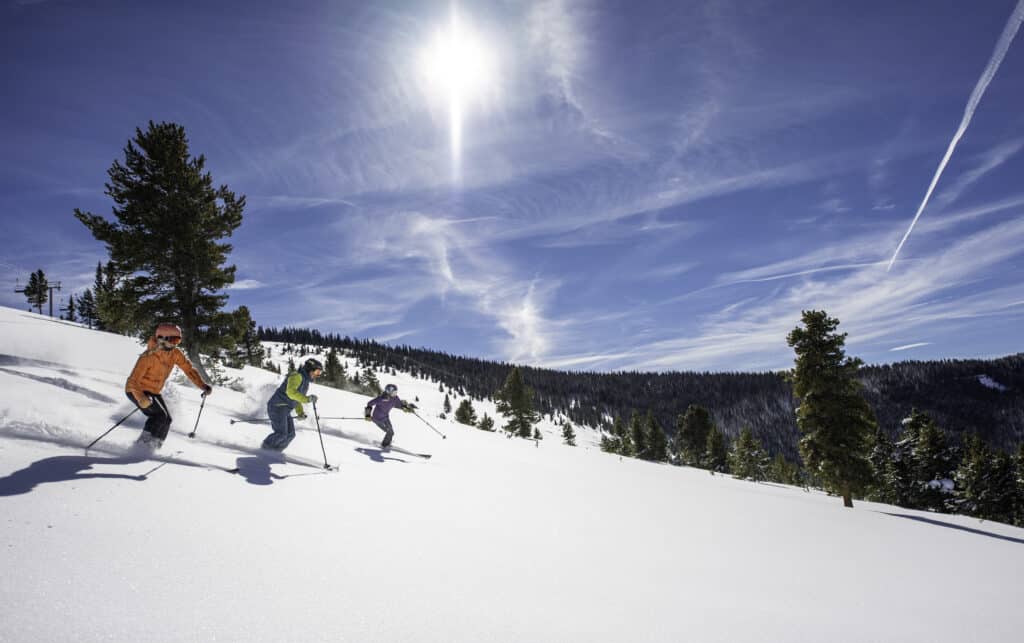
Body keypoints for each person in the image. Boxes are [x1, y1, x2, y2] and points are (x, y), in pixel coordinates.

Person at [125, 322, 212, 449]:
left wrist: (202, 385)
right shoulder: (148, 356)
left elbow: (188, 369)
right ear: (162, 338)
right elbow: (133, 381)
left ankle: (155, 448)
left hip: (153, 391)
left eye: (178, 340)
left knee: (167, 419)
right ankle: (142, 447)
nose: (176, 343)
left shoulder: (175, 353)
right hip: (136, 390)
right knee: (159, 416)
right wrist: (141, 398)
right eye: (173, 339)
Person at [263, 358, 322, 451]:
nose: (317, 375)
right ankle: (265, 450)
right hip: (277, 407)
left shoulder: (305, 382)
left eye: (319, 373)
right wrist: (307, 399)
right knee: (281, 434)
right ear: (310, 369)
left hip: (285, 409)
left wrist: (300, 412)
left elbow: (297, 398)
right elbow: (291, 392)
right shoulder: (296, 376)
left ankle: (275, 452)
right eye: (317, 372)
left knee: (290, 435)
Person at [364, 383, 414, 449]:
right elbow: (369, 404)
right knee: (389, 432)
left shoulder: (395, 398)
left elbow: (399, 404)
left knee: (391, 432)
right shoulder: (381, 398)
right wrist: (368, 414)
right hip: (377, 419)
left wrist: (406, 408)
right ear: (388, 392)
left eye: (396, 392)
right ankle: (384, 445)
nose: (395, 394)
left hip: (385, 418)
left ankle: (387, 443)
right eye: (394, 392)